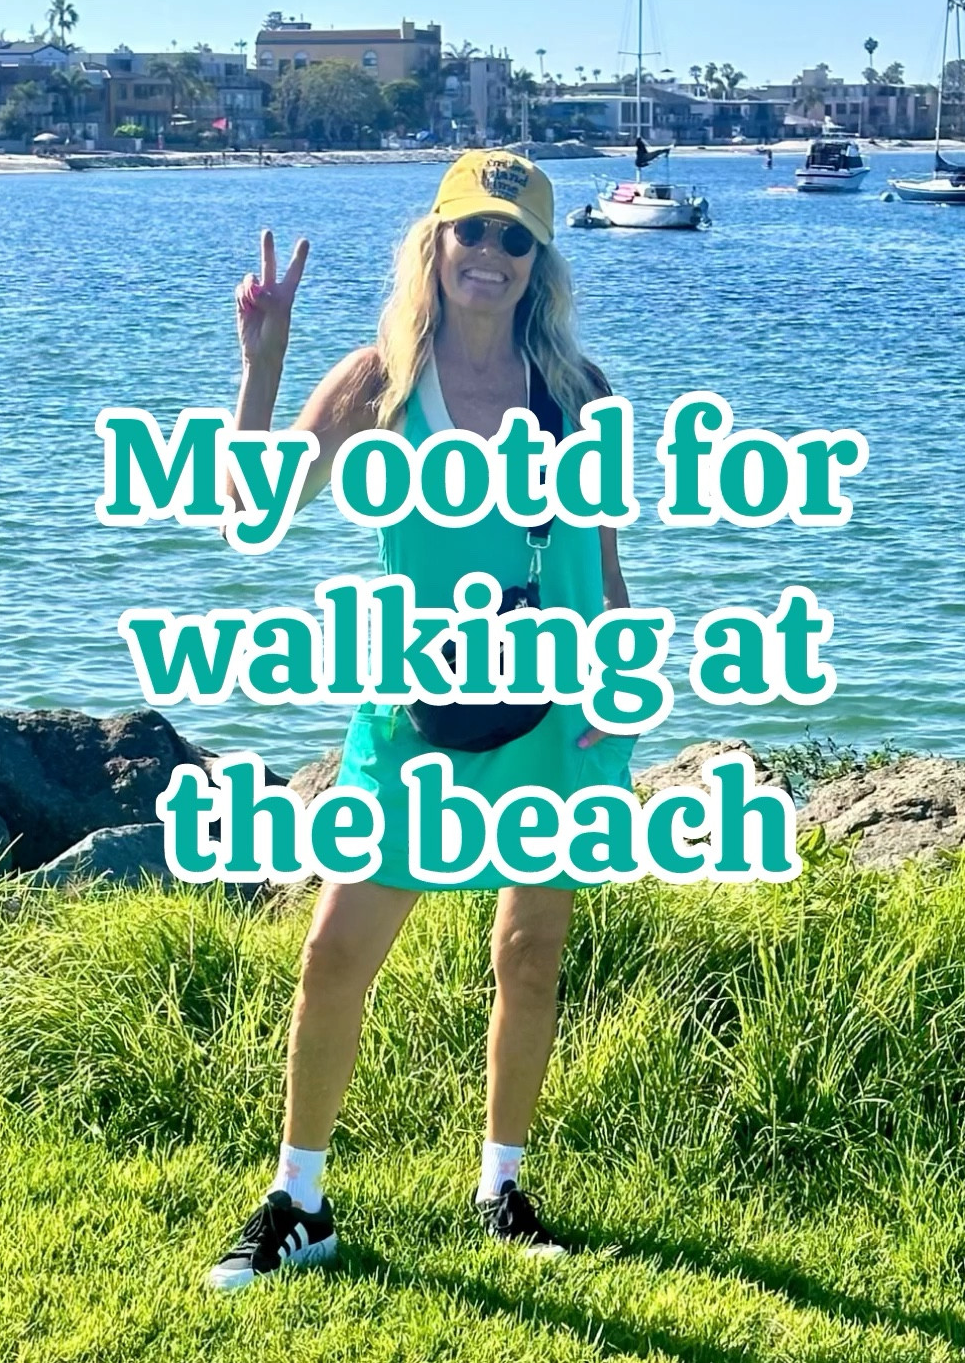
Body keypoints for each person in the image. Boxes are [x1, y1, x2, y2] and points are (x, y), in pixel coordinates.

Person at [205, 150, 636, 1292]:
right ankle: (298, 1199)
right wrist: (263, 364)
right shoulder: (378, 381)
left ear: (537, 264)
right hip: (413, 711)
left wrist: (622, 687)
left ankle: (503, 1185)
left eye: (515, 240)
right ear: (435, 245)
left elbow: (603, 562)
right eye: (472, 232)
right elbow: (254, 505)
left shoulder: (578, 392)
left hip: (561, 709)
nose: (489, 256)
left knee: (530, 953)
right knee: (334, 950)